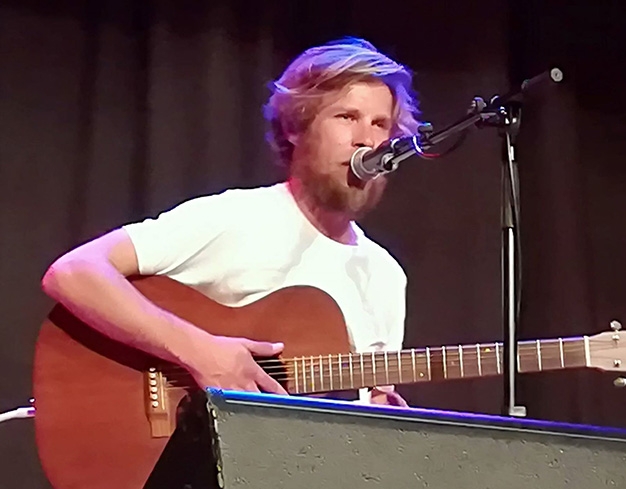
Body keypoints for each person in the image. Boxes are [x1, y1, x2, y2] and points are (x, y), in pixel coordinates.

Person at [42, 37, 420, 407]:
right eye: (347, 117)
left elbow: (359, 410)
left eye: (380, 124)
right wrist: (199, 351)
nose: (367, 140)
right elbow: (74, 272)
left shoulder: (385, 275)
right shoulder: (238, 218)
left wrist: (380, 414)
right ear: (295, 126)